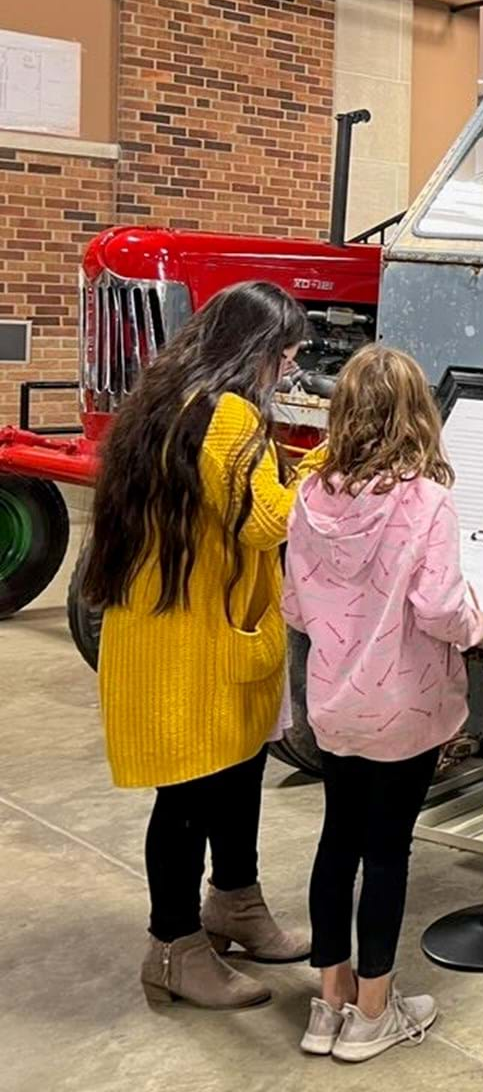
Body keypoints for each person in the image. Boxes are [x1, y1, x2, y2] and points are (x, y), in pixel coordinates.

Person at [81, 280, 317, 1010]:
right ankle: (175, 947)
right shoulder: (226, 414)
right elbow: (268, 522)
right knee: (188, 796)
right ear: (258, 352)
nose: (290, 371)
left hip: (178, 632)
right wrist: (326, 457)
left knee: (235, 774)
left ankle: (235, 907)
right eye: (288, 355)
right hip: (189, 645)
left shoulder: (166, 399)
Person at [282, 345, 483, 1062]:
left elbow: (295, 606)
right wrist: (481, 621)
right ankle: (375, 1011)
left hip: (334, 701)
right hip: (405, 704)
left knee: (335, 842)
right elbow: (438, 608)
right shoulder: (427, 500)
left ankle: (328, 1002)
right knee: (389, 852)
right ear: (419, 413)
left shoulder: (310, 496)